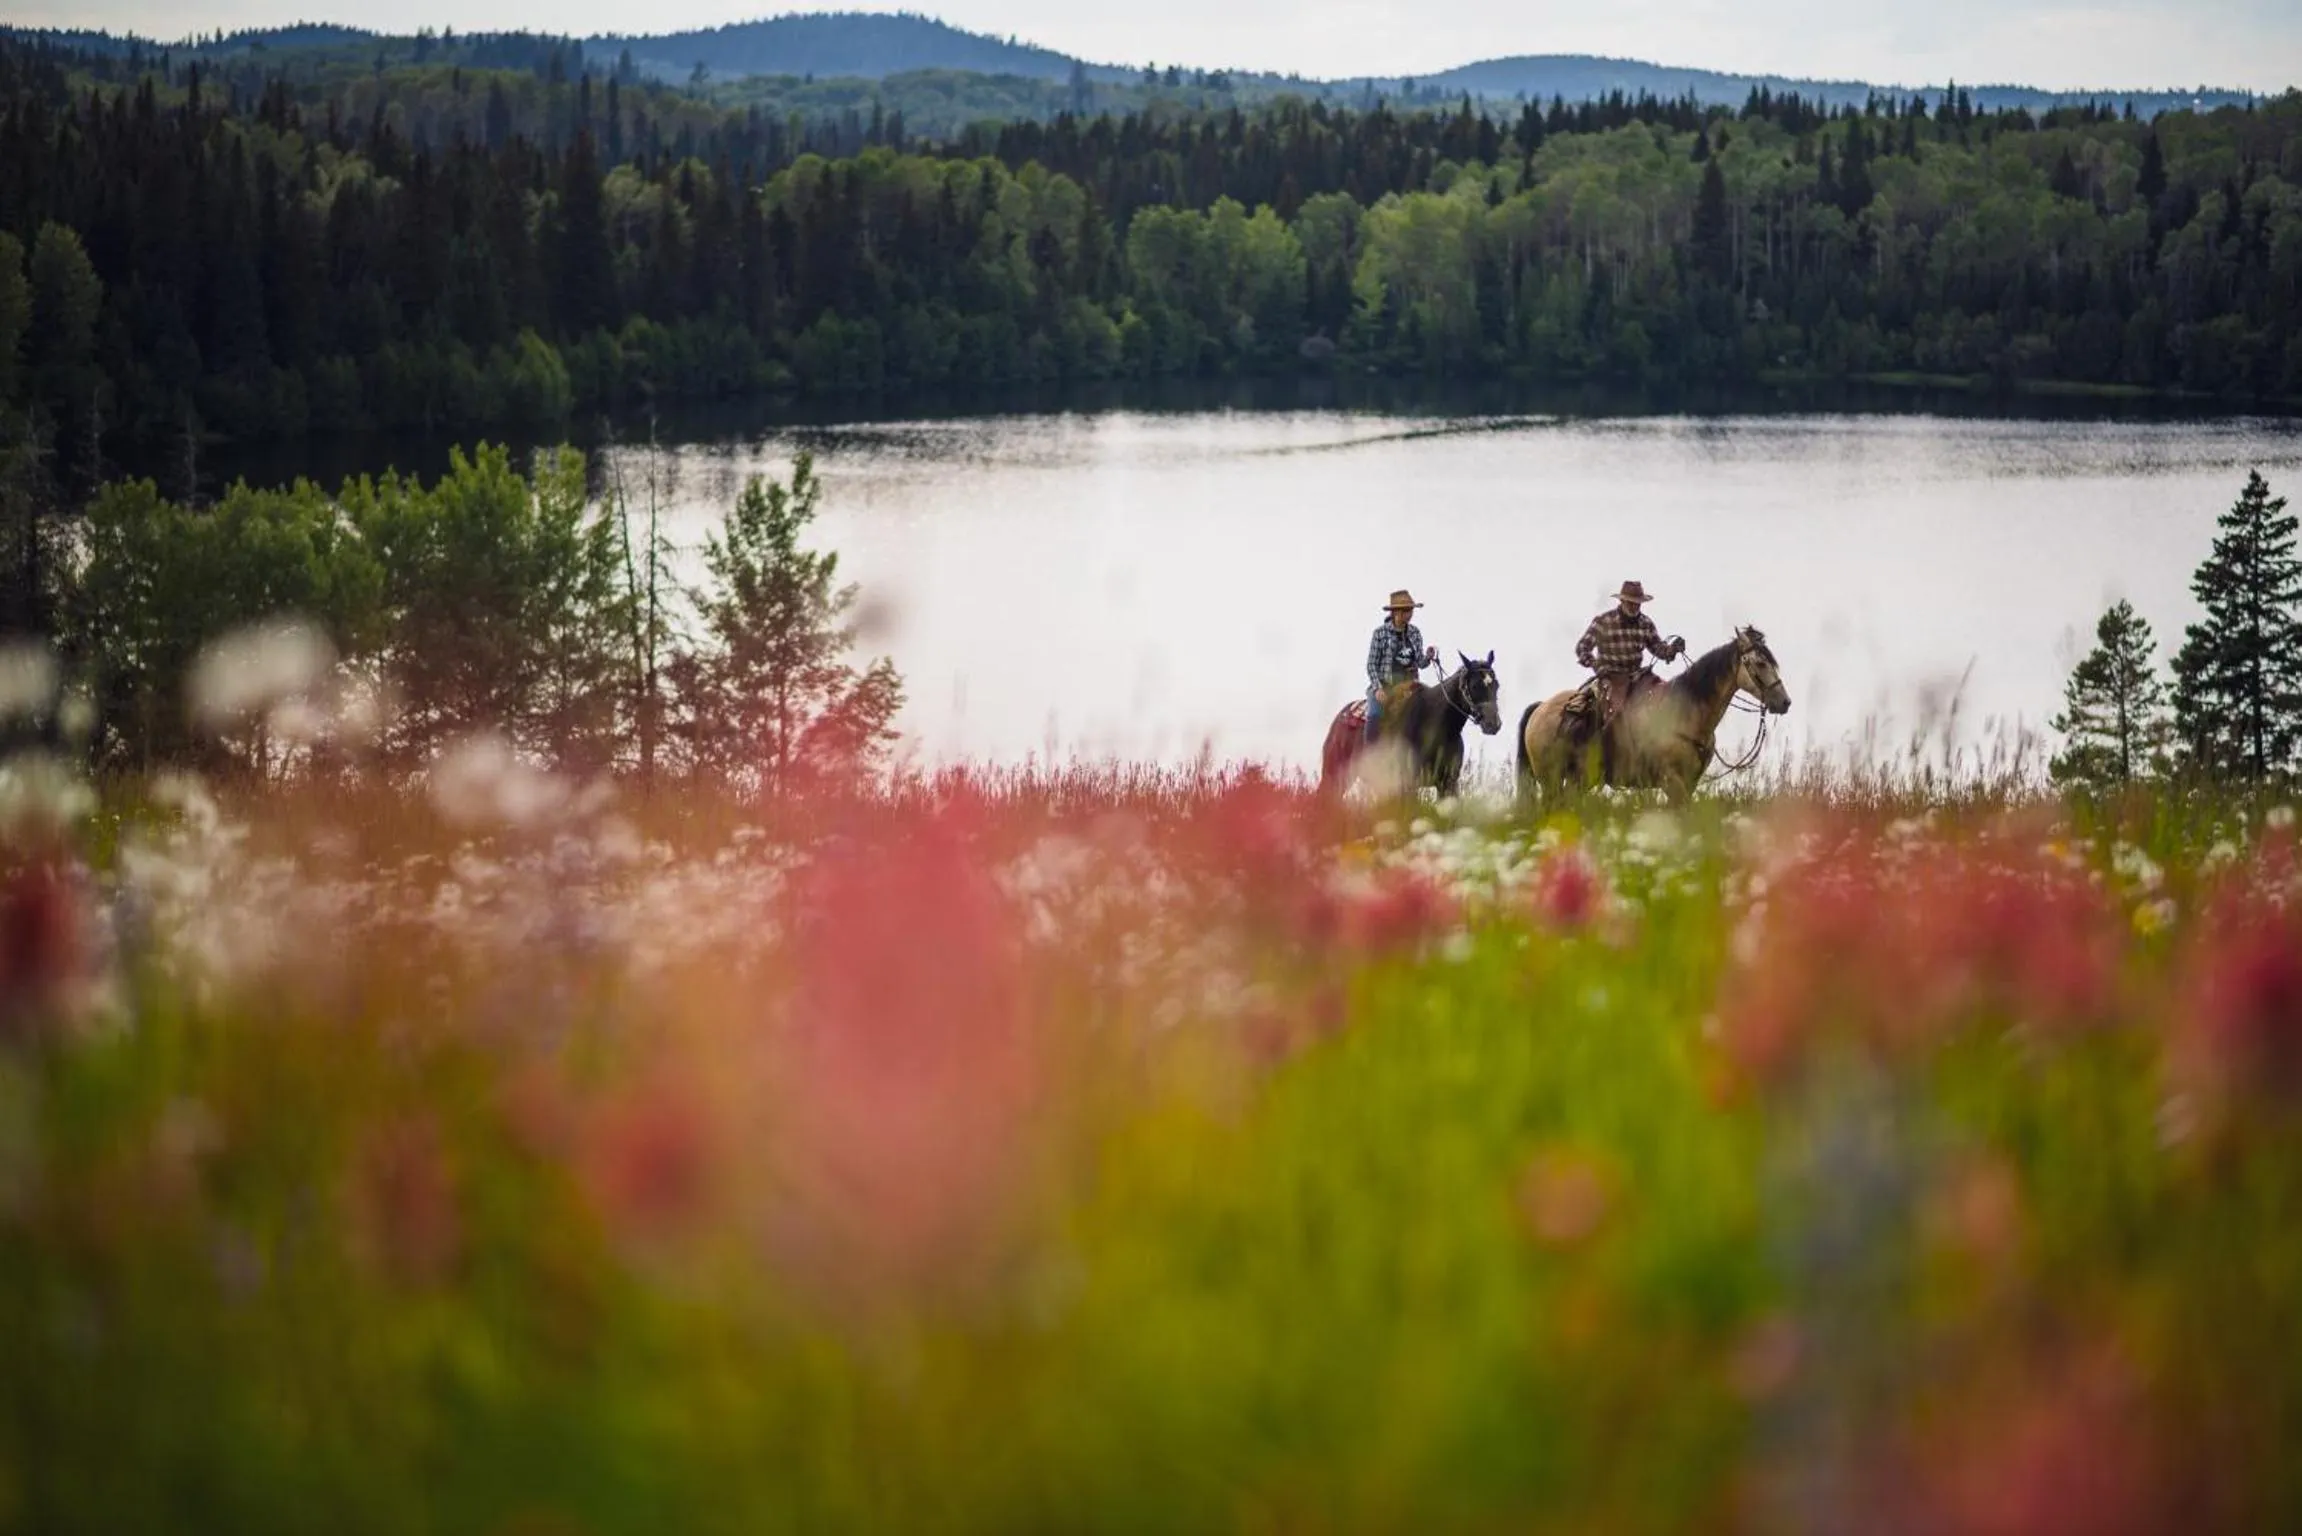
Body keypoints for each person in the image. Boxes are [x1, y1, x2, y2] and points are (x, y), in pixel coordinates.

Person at [1574, 580, 1684, 729]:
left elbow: (1657, 648)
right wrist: (1596, 665)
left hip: (1637, 676)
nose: (1634, 607)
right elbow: (1582, 648)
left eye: (1637, 603)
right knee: (1618, 716)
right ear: (1622, 601)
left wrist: (1672, 649)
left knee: (1667, 697)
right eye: (1631, 603)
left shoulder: (1645, 623)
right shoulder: (1603, 622)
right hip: (1611, 677)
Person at [1366, 589, 1439, 744]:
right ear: (1395, 612)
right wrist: (1377, 688)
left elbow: (1420, 662)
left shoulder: (1415, 633)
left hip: (1409, 688)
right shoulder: (1380, 633)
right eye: (1406, 610)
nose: (1410, 614)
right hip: (1385, 686)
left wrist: (1428, 657)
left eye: (1411, 610)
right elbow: (1371, 664)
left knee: (1429, 712)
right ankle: (1370, 753)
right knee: (1374, 715)